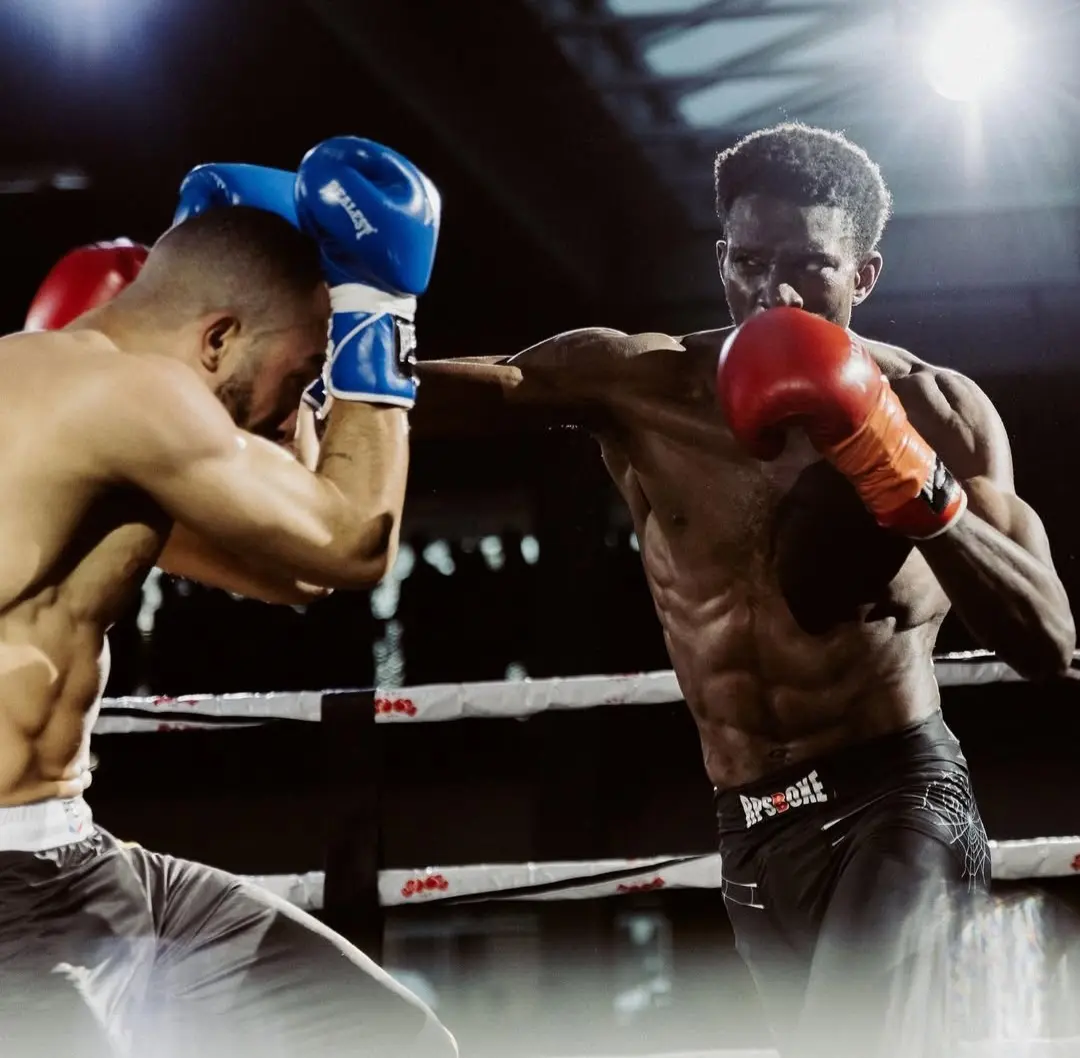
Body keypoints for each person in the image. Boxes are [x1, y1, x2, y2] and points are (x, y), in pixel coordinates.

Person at [413, 123, 1075, 1056]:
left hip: (896, 803)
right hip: (750, 830)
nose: (776, 292)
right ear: (721, 256)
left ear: (865, 274)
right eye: (751, 261)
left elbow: (1051, 641)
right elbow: (473, 391)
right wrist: (338, 336)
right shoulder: (645, 387)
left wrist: (913, 485)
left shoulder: (935, 407)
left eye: (810, 265)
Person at [0, 138, 455, 1057]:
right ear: (215, 339)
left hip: (85, 861)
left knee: (391, 1042)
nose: (298, 414)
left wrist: (298, 351)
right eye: (300, 381)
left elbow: (297, 575)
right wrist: (379, 308)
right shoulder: (125, 392)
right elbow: (356, 540)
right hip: (8, 898)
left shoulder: (109, 430)